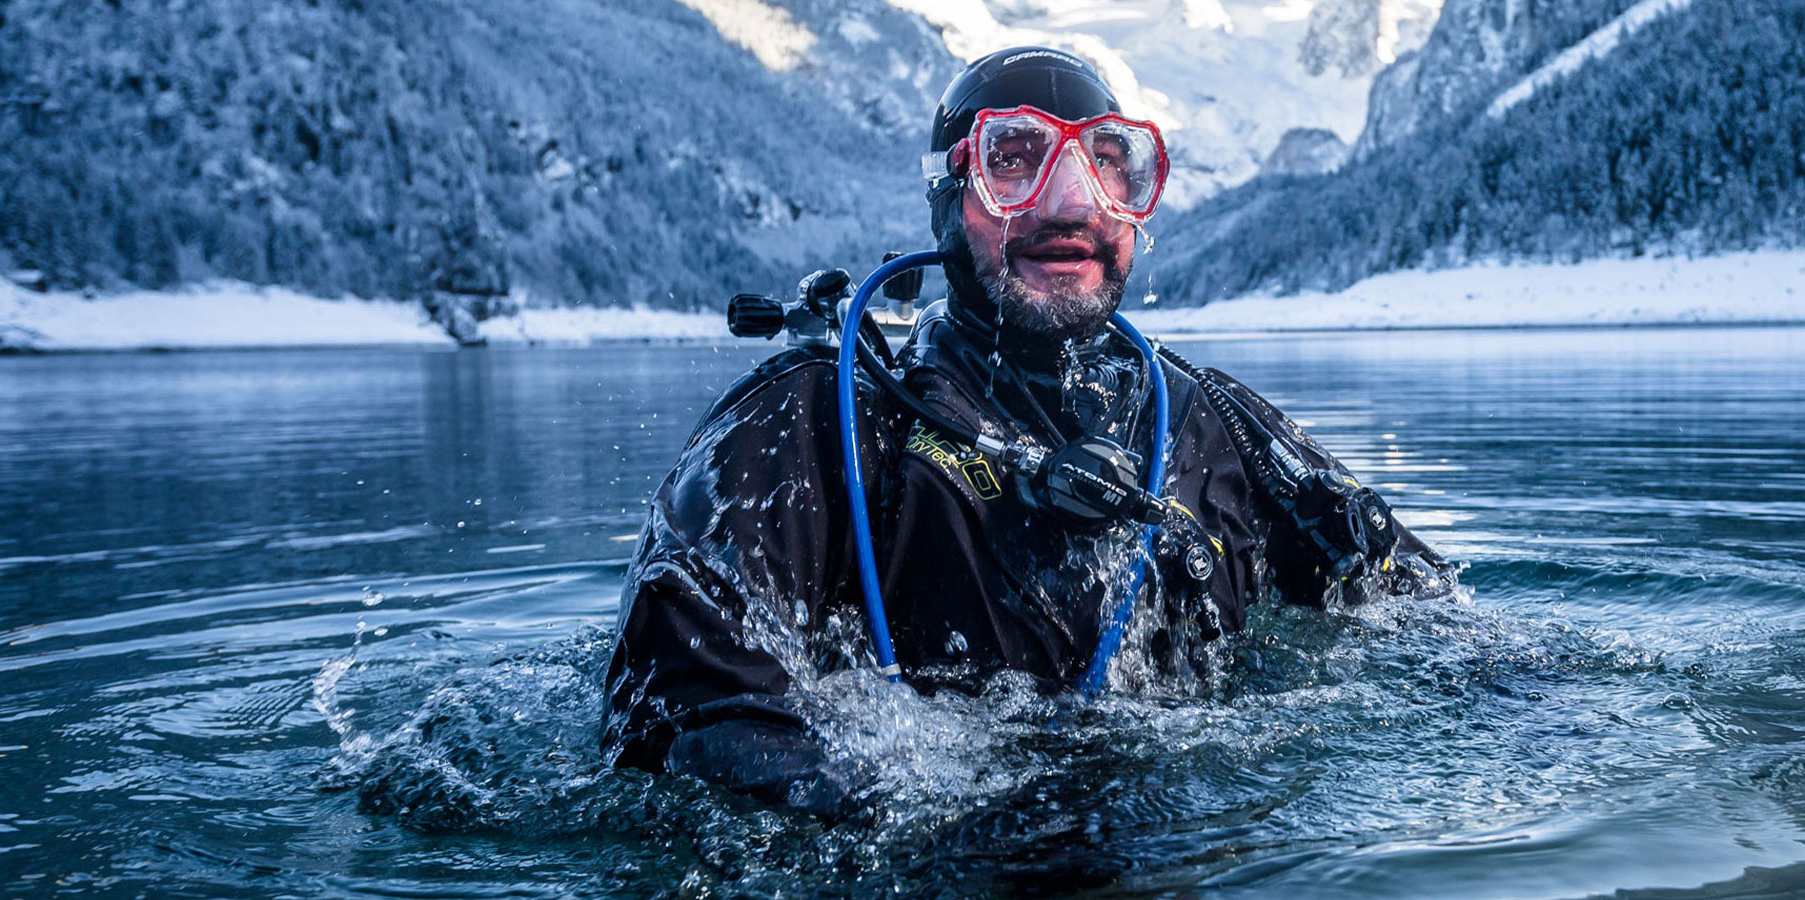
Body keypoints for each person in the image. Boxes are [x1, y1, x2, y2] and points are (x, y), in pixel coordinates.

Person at [600, 46, 1453, 809]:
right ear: (949, 198)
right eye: (1015, 163)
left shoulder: (1209, 424)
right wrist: (947, 835)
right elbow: (678, 715)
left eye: (1111, 167)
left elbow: (1429, 621)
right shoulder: (827, 422)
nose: (1071, 206)